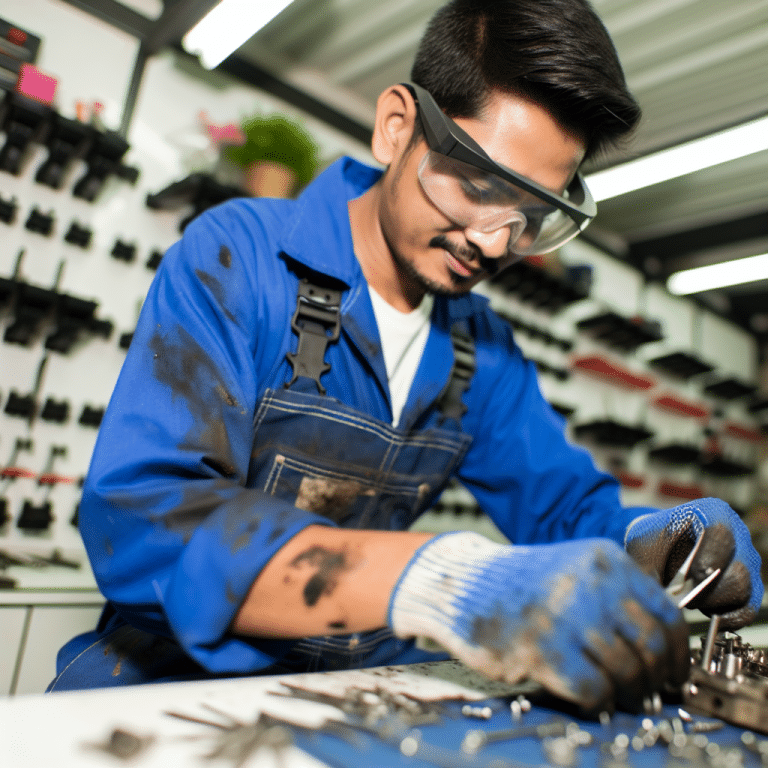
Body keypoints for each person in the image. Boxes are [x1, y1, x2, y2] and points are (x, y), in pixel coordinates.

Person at [50, 0, 761, 714]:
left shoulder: (483, 353)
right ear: (397, 127)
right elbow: (147, 522)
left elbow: (565, 511)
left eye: (531, 215)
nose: (493, 242)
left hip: (345, 687)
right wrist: (437, 581)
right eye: (478, 185)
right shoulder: (241, 259)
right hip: (166, 680)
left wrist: (653, 542)